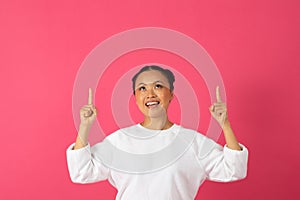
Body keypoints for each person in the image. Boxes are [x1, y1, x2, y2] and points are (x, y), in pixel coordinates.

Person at [66, 65, 248, 200]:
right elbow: (82, 172)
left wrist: (225, 124)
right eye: (142, 88)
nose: (150, 93)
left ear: (171, 94)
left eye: (158, 86)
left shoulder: (192, 142)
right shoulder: (120, 141)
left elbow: (234, 169)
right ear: (135, 98)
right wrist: (85, 126)